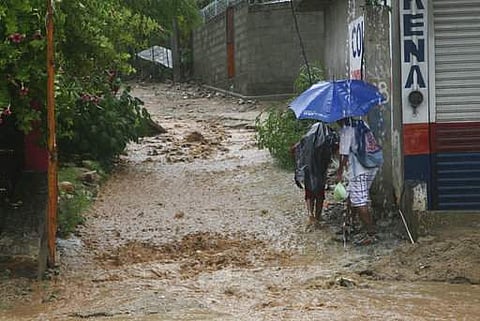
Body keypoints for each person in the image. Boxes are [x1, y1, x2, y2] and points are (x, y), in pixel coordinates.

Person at [336, 117, 379, 245]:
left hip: (359, 169)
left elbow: (343, 155)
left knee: (360, 201)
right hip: (371, 165)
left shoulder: (346, 130)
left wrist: (339, 172)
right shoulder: (362, 123)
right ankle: (349, 225)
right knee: (351, 195)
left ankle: (371, 234)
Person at [292, 122, 335, 230]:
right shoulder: (326, 138)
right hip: (320, 171)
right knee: (320, 194)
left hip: (308, 169)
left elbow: (295, 149)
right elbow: (332, 152)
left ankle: (310, 215)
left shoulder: (306, 138)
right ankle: (318, 217)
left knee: (309, 193)